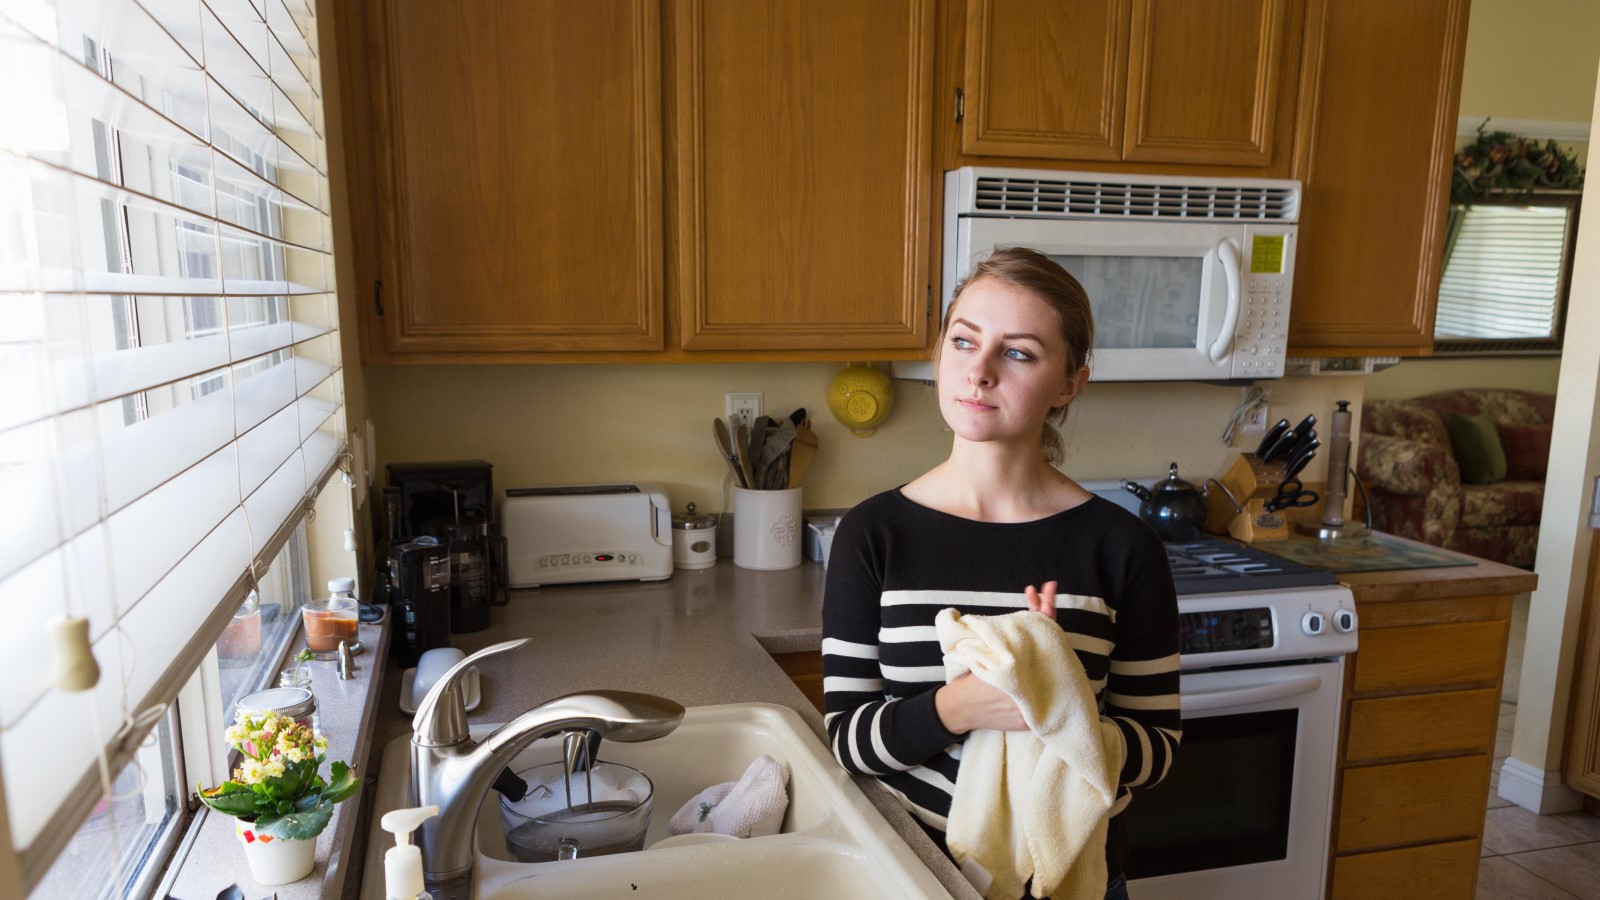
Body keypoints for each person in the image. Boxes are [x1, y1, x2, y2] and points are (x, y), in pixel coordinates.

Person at [821, 247, 1181, 900]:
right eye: (964, 341)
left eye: (1018, 352)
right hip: (914, 877)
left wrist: (1056, 703)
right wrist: (960, 707)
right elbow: (847, 739)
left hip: (1071, 880)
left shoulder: (1122, 546)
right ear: (940, 352)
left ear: (1068, 384)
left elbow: (1158, 750)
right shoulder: (873, 535)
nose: (979, 371)